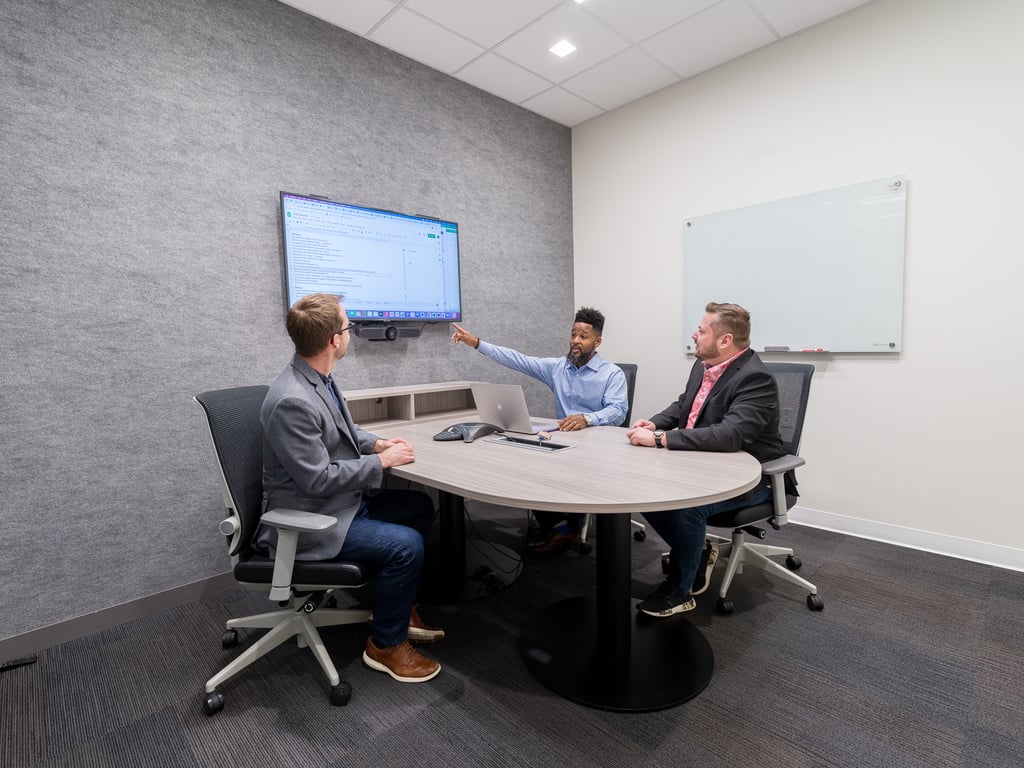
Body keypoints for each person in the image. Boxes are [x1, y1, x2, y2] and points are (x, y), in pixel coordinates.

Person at [258, 292, 444, 682]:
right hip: (311, 521)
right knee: (407, 545)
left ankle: (398, 607)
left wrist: (377, 444)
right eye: (348, 327)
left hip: (339, 504)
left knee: (419, 506)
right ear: (334, 340)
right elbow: (317, 479)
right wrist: (381, 463)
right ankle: (386, 645)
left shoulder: (317, 378)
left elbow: (343, 430)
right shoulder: (293, 400)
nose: (350, 333)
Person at [625, 302, 794, 617]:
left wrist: (661, 439)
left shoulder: (755, 378)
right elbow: (684, 405)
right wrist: (654, 423)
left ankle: (680, 591)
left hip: (755, 478)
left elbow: (729, 435)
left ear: (725, 340)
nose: (694, 335)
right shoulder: (703, 365)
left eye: (701, 331)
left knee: (690, 506)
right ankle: (697, 548)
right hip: (705, 466)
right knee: (645, 489)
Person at [450, 307, 628, 553]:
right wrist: (477, 343)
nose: (575, 341)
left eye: (583, 336)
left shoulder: (612, 374)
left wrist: (587, 418)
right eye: (573, 334)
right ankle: (561, 526)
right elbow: (518, 359)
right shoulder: (558, 368)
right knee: (524, 466)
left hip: (597, 451)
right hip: (564, 445)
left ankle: (565, 529)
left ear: (597, 342)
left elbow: (618, 411)